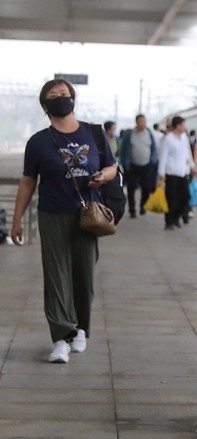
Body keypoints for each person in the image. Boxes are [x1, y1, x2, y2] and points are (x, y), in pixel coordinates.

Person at [10, 78, 117, 363]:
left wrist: (103, 176)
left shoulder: (94, 134)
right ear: (45, 106)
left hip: (88, 214)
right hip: (52, 213)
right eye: (53, 95)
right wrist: (17, 219)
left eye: (64, 93)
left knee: (84, 274)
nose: (60, 98)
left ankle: (80, 328)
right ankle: (61, 337)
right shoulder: (38, 142)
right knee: (56, 274)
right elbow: (28, 181)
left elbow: (112, 166)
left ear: (73, 99)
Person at [158, 116, 195, 230]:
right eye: (183, 125)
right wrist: (161, 172)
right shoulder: (168, 139)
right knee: (171, 198)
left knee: (186, 196)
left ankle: (176, 216)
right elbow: (163, 156)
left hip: (183, 171)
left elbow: (188, 152)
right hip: (171, 172)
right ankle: (169, 221)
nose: (185, 127)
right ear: (178, 126)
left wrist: (192, 166)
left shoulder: (184, 137)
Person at [119, 114, 159, 218]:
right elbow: (123, 150)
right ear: (136, 122)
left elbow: (153, 148)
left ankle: (143, 206)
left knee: (146, 188)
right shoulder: (129, 134)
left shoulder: (149, 134)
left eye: (144, 121)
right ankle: (132, 210)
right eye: (141, 121)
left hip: (147, 165)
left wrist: (153, 161)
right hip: (132, 166)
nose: (143, 123)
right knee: (131, 188)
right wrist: (125, 164)